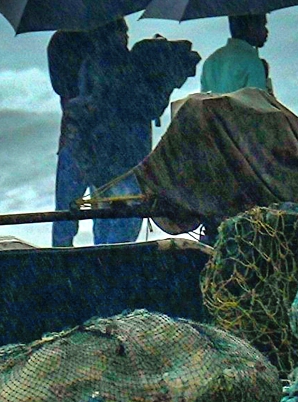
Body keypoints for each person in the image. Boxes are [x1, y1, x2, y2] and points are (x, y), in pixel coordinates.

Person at [51, 22, 196, 246]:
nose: (127, 37)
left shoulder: (72, 51)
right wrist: (165, 80)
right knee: (121, 220)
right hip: (120, 158)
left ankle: (65, 265)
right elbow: (147, 106)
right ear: (114, 34)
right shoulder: (122, 65)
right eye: (124, 32)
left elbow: (67, 94)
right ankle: (106, 266)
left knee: (73, 216)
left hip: (82, 146)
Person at [200, 13, 273, 95]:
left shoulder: (211, 61)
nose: (266, 31)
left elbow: (204, 100)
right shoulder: (253, 62)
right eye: (263, 25)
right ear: (251, 27)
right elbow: (257, 104)